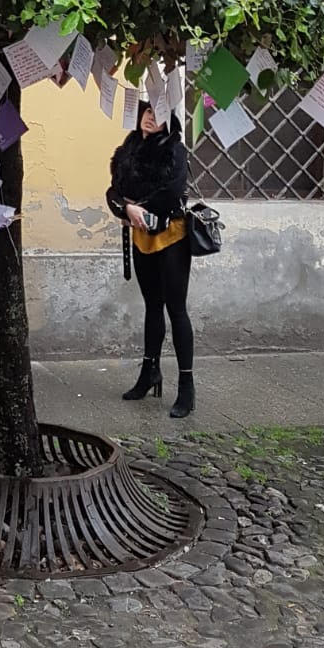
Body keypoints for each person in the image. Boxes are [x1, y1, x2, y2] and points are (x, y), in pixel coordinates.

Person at [107, 101, 194, 419]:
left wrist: (134, 205)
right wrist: (126, 209)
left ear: (169, 120)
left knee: (177, 309)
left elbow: (171, 193)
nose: (149, 117)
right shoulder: (127, 150)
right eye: (146, 111)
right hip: (141, 238)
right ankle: (150, 372)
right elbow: (113, 192)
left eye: (157, 113)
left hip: (172, 237)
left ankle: (187, 386)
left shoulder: (176, 151)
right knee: (152, 308)